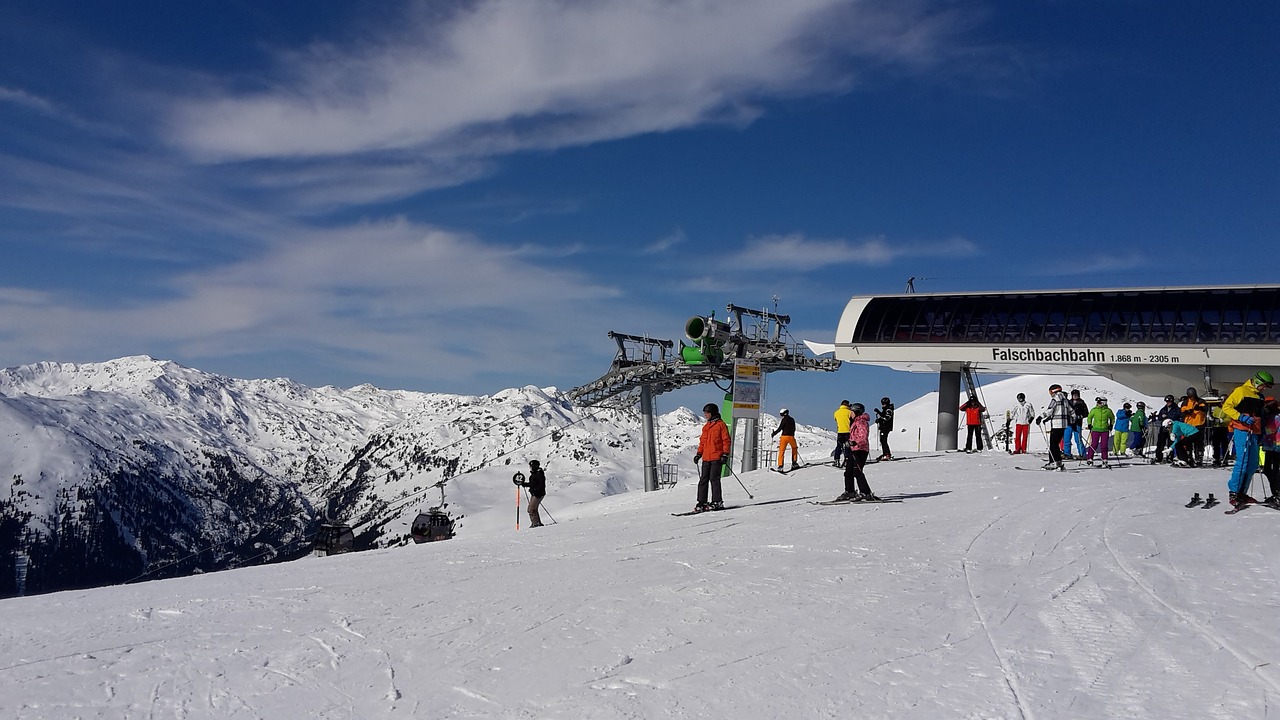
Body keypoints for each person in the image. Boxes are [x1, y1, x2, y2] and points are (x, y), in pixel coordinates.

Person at [1222, 371, 1275, 506]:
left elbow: (1260, 415)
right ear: (1257, 382)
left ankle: (1242, 493)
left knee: (1253, 464)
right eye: (1264, 386)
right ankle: (1234, 492)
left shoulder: (1260, 396)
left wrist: (1262, 431)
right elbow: (1226, 407)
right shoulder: (1241, 391)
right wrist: (1240, 417)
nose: (1264, 389)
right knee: (1243, 462)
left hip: (1254, 432)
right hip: (1242, 430)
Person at [837, 402, 880, 501]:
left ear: (856, 412)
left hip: (861, 450)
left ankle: (866, 493)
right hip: (854, 450)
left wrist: (853, 442)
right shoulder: (855, 422)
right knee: (848, 471)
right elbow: (854, 435)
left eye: (851, 412)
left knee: (857, 471)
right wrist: (846, 440)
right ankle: (850, 492)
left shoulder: (861, 422)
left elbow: (863, 437)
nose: (850, 414)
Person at [693, 402, 732, 512]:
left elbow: (726, 440)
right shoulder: (706, 427)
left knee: (714, 479)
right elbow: (703, 442)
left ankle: (717, 501)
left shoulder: (720, 425)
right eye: (704, 413)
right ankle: (702, 502)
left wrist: (725, 454)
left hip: (716, 457)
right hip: (706, 457)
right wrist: (699, 454)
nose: (705, 415)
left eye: (707, 413)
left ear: (712, 413)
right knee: (703, 480)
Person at [1036, 384, 1070, 471]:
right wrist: (1073, 420)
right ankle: (1058, 462)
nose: (1050, 394)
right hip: (1063, 425)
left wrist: (1040, 417)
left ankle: (1053, 462)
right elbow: (1071, 411)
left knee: (1053, 444)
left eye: (1050, 392)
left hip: (1056, 425)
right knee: (1056, 443)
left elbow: (1050, 410)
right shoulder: (1065, 400)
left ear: (1053, 391)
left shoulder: (1055, 399)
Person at [1180, 387, 1209, 467]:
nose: (1192, 398)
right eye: (1190, 396)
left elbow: (1205, 409)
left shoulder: (1200, 401)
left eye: (1193, 396)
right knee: (1188, 443)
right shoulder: (1185, 402)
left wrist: (1199, 408)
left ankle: (1199, 458)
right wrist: (1187, 412)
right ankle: (1189, 458)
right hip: (1189, 425)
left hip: (1199, 425)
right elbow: (1181, 412)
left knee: (1199, 443)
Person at [1259, 397, 1280, 508]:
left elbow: (1269, 430)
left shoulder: (1275, 417)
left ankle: (1277, 493)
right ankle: (1275, 493)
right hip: (1270, 446)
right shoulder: (1271, 416)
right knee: (1268, 470)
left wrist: (1260, 426)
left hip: (1276, 446)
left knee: (1274, 470)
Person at [514, 459, 548, 527]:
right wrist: (525, 484)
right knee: (533, 509)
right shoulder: (536, 474)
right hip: (536, 494)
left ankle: (536, 524)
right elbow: (533, 484)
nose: (530, 468)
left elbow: (541, 485)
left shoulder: (539, 474)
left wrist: (536, 491)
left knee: (531, 509)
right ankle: (537, 523)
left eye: (531, 466)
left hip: (538, 494)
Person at [1084, 396, 1115, 467]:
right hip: (1095, 430)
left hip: (1105, 430)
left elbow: (1112, 418)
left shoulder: (1108, 411)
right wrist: (1089, 424)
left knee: (1104, 445)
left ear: (1104, 403)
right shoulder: (1094, 410)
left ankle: (1105, 459)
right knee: (1094, 444)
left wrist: (1111, 425)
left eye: (1099, 402)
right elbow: (1089, 417)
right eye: (1097, 402)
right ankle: (1089, 459)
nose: (1098, 404)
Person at [1153, 394, 1183, 463]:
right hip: (1163, 428)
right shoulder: (1164, 409)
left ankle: (1170, 457)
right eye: (1167, 402)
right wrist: (1161, 416)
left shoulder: (1176, 409)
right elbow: (1160, 417)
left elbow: (1177, 416)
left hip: (1172, 428)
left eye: (1169, 402)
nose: (1168, 403)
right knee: (1160, 443)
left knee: (1171, 443)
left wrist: (1168, 416)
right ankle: (1158, 457)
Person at [1207, 390, 1231, 467]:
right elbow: (1214, 415)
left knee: (1224, 444)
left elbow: (1229, 419)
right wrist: (1212, 419)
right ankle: (1216, 458)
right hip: (1216, 427)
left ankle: (1225, 458)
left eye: (1222, 401)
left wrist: (1222, 420)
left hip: (1223, 428)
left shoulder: (1228, 408)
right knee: (1216, 444)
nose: (1220, 403)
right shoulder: (1217, 408)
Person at [1064, 389, 1089, 459]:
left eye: (1076, 395)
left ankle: (1082, 454)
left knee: (1078, 439)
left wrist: (1080, 416)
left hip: (1077, 423)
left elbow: (1086, 413)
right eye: (1073, 395)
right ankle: (1067, 453)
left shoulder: (1082, 403)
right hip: (1069, 423)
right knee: (1066, 438)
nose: (1075, 396)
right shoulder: (1068, 402)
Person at [832, 400, 852, 467]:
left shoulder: (836, 412)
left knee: (839, 446)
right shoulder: (849, 412)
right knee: (847, 446)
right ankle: (846, 460)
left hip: (840, 431)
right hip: (848, 431)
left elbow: (836, 420)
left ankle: (836, 460)